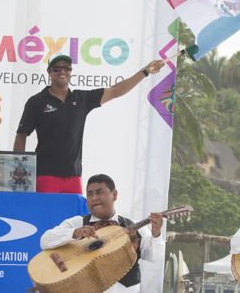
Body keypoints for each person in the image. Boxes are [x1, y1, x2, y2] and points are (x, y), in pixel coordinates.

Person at [14, 55, 167, 194]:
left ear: (70, 71)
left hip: (73, 177)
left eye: (66, 68)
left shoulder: (81, 99)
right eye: (57, 68)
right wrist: (18, 171)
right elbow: (21, 135)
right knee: (44, 221)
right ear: (49, 72)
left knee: (74, 224)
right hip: (45, 175)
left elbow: (116, 91)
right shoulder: (37, 101)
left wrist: (145, 71)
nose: (62, 71)